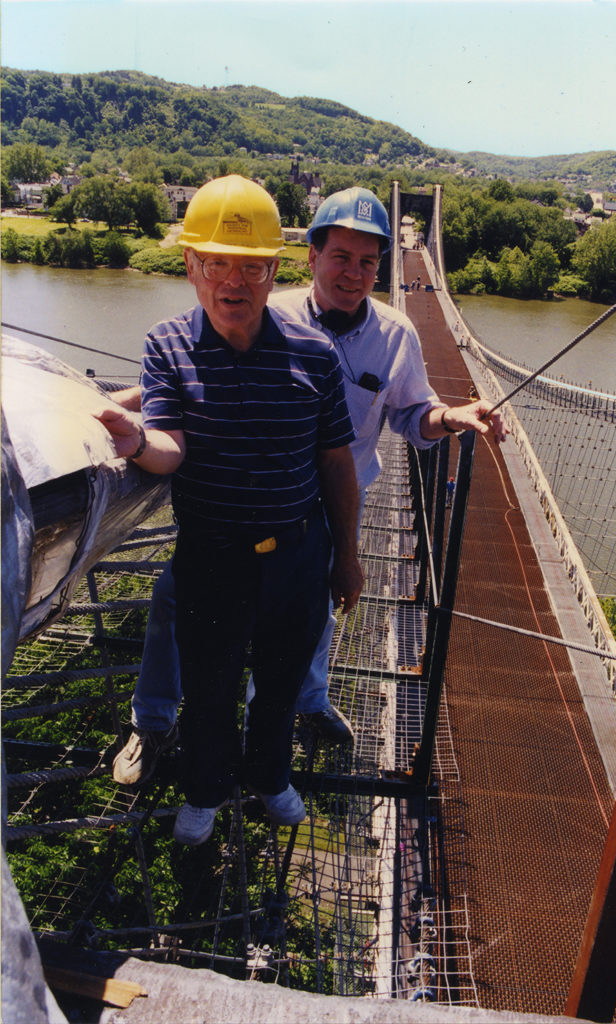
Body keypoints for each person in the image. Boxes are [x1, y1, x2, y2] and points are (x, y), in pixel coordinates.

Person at [112, 186, 507, 790]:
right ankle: (154, 719)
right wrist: (109, 408)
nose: (354, 273)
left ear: (382, 267)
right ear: (310, 258)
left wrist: (450, 417)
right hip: (246, 493)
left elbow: (411, 413)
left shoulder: (396, 334)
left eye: (369, 262)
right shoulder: (270, 305)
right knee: (174, 598)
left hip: (335, 496)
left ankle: (306, 703)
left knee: (315, 609)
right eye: (341, 257)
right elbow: (186, 368)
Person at [98, 175, 363, 845]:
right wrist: (134, 442)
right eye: (215, 261)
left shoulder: (315, 353)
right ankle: (206, 793)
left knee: (278, 689)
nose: (231, 280)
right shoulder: (167, 346)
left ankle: (270, 780)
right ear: (190, 266)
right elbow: (168, 443)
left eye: (249, 265)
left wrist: (349, 557)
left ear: (274, 270)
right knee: (211, 692)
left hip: (300, 556)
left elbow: (337, 463)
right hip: (212, 558)